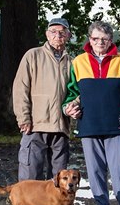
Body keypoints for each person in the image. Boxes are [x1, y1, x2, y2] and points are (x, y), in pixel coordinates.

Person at [63, 20, 120, 205]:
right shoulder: (78, 62)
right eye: (95, 38)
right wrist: (70, 107)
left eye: (104, 39)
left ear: (110, 40)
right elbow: (72, 92)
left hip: (117, 123)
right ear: (90, 39)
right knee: (95, 169)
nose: (99, 42)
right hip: (89, 124)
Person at [12, 17, 74, 182]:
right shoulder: (33, 55)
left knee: (59, 182)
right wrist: (23, 118)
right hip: (35, 126)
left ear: (68, 35)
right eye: (53, 32)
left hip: (61, 127)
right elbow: (20, 88)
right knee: (30, 179)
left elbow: (76, 92)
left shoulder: (73, 62)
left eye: (62, 32)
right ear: (47, 34)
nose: (57, 36)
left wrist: (74, 105)